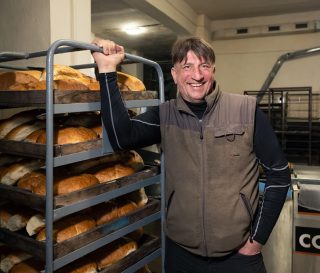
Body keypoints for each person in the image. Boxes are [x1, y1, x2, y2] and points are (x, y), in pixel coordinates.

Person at [91, 37, 291, 273]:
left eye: (204, 66)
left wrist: (257, 239)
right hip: (182, 256)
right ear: (174, 74)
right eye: (187, 66)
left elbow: (279, 174)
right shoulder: (164, 116)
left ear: (213, 71)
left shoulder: (245, 110)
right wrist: (106, 69)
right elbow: (119, 137)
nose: (197, 75)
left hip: (238, 257)